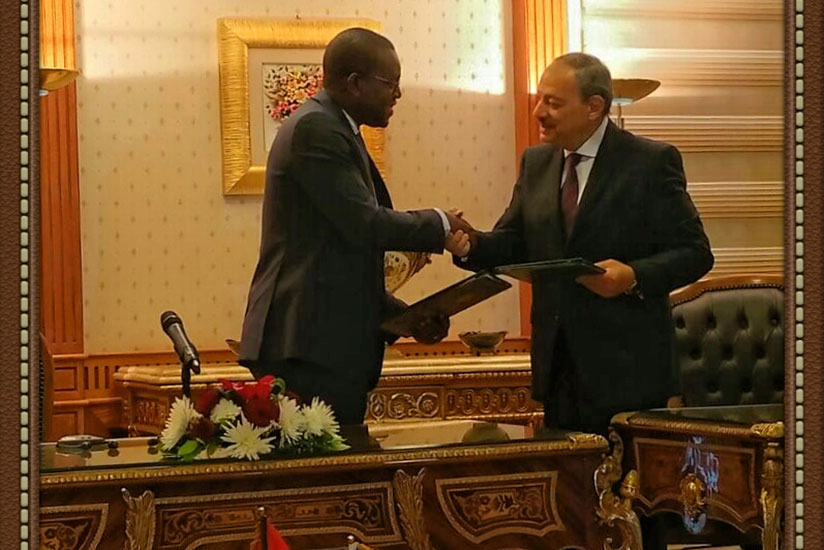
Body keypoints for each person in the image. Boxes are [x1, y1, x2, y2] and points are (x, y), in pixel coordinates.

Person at [455, 52, 714, 435]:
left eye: (553, 103)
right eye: (539, 99)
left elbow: (696, 253)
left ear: (595, 106)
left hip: (629, 375)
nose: (539, 112)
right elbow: (513, 243)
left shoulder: (649, 161)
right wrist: (466, 244)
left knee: (627, 492)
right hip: (558, 370)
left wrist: (632, 276)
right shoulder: (536, 162)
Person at [238, 28, 473, 425]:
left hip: (320, 340)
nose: (397, 95)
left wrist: (404, 316)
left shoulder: (336, 128)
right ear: (355, 83)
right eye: (391, 84)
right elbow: (364, 223)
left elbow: (339, 253)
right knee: (323, 479)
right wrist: (440, 223)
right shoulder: (318, 129)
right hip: (307, 345)